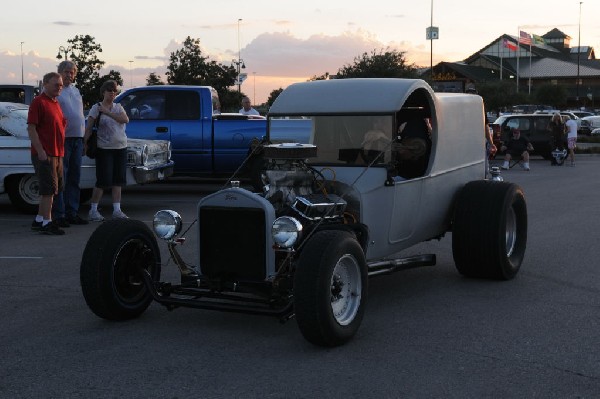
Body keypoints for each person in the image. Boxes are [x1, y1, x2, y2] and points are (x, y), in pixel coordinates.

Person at [83, 80, 130, 221]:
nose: (112, 93)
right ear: (103, 91)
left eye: (115, 91)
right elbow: (89, 127)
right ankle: (93, 210)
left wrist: (108, 113)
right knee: (103, 180)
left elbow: (125, 119)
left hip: (120, 147)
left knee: (118, 180)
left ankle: (117, 210)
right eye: (109, 90)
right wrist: (85, 143)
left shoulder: (118, 107)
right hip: (104, 149)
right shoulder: (96, 108)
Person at [27, 72, 67, 235]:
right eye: (56, 84)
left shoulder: (56, 103)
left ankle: (39, 220)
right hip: (45, 154)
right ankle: (46, 223)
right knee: (48, 190)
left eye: (61, 85)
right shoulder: (38, 102)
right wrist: (41, 151)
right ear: (45, 84)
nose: (59, 87)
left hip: (57, 153)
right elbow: (31, 128)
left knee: (54, 189)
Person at [52, 60, 89, 227]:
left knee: (74, 178)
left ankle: (72, 212)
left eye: (72, 72)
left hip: (78, 139)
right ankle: (59, 214)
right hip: (63, 140)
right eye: (66, 71)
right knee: (62, 178)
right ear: (60, 72)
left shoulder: (76, 91)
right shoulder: (57, 92)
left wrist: (84, 140)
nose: (69, 75)